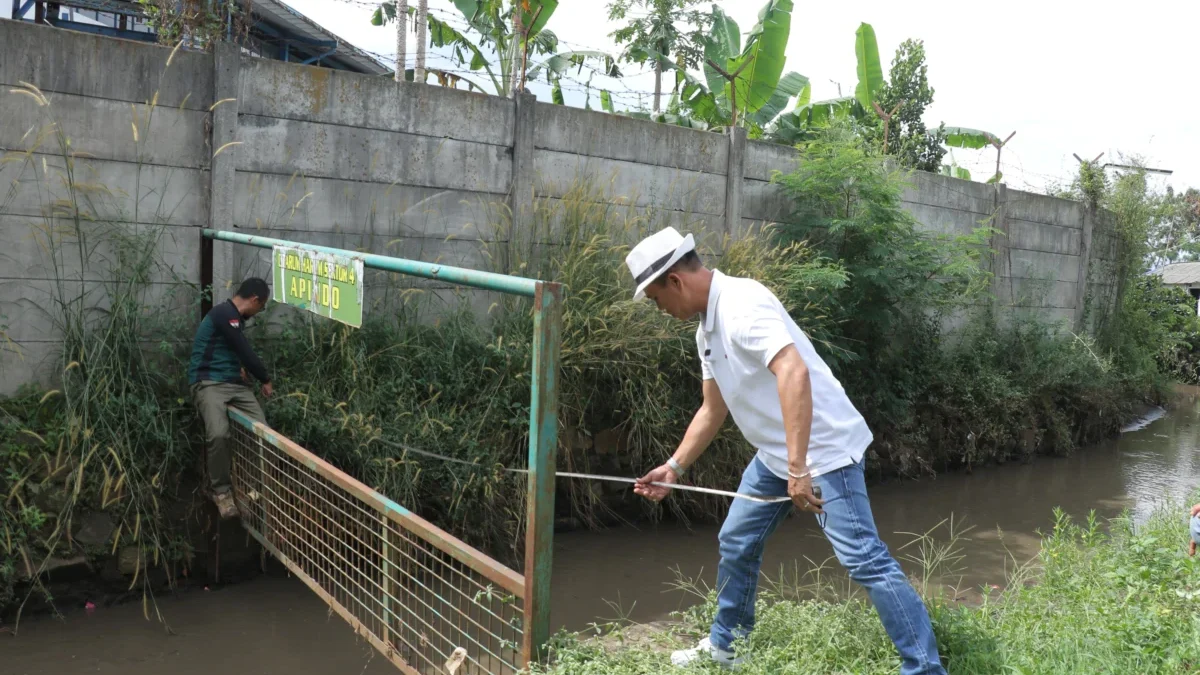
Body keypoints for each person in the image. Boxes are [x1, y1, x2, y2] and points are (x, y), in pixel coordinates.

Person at [625, 228, 945, 674]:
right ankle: (727, 647)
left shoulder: (741, 305)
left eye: (658, 300)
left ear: (674, 281)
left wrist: (799, 468)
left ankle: (925, 668)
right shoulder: (707, 330)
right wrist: (675, 467)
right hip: (777, 455)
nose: (663, 311)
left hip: (825, 450)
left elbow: (793, 371)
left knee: (864, 559)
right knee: (737, 539)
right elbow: (712, 408)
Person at [187, 278, 274, 520]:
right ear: (255, 300)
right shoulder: (225, 313)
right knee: (218, 434)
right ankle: (222, 493)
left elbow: (229, 349)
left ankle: (252, 491)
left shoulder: (234, 320)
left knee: (264, 435)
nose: (259, 312)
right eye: (262, 307)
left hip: (235, 385)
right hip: (209, 383)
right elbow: (242, 348)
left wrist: (239, 369)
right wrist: (264, 379)